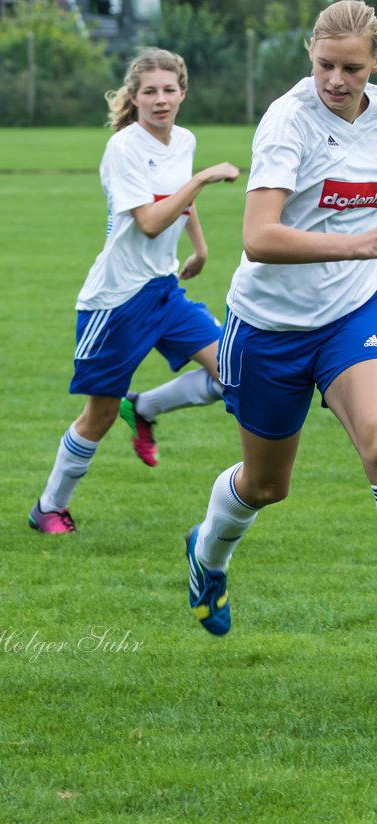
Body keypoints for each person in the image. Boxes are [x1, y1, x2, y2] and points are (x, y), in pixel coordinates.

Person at [186, 0, 377, 635]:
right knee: (267, 486)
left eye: (352, 68)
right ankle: (208, 554)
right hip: (268, 327)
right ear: (310, 55)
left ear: (373, 65)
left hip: (352, 312)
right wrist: (360, 242)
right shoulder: (287, 122)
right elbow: (259, 237)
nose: (336, 81)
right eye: (326, 65)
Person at [28, 48, 240, 534]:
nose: (160, 100)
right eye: (150, 91)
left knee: (234, 373)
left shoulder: (183, 139)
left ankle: (145, 407)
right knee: (98, 416)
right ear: (135, 97)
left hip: (164, 290)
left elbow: (180, 198)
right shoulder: (124, 148)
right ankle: (48, 508)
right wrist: (205, 178)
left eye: (169, 90)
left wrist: (201, 248)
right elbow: (147, 222)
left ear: (182, 93)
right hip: (117, 301)